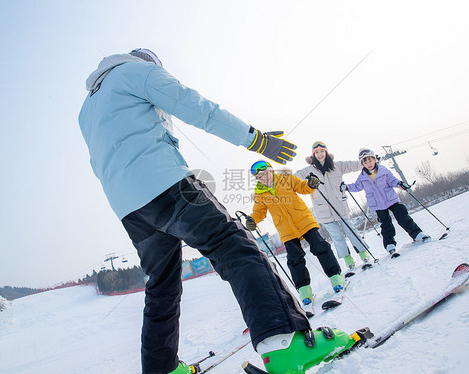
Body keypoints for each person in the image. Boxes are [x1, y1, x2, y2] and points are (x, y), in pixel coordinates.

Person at [78, 48, 356, 374]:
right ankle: (283, 343)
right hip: (166, 183)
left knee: (161, 286)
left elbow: (99, 162)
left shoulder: (87, 108)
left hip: (130, 209)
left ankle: (162, 369)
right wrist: (257, 140)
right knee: (234, 247)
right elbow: (195, 107)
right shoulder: (136, 71)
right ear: (151, 62)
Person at [245, 160, 346, 316]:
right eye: (259, 177)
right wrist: (252, 220)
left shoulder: (287, 179)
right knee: (294, 259)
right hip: (286, 229)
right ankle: (305, 294)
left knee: (320, 247)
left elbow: (303, 188)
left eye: (265, 174)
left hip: (303, 220)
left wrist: (311, 184)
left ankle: (336, 279)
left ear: (271, 171)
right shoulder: (260, 193)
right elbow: (259, 212)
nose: (263, 178)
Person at [295, 141, 373, 275]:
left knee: (351, 231)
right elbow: (292, 178)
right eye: (317, 152)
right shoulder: (308, 171)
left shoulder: (337, 166)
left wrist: (367, 159)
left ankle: (364, 255)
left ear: (326, 152)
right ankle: (349, 262)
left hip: (340, 207)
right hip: (323, 211)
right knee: (337, 238)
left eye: (322, 151)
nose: (320, 154)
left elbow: (354, 165)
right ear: (313, 155)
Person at [344, 148, 430, 256]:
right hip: (378, 204)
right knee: (385, 224)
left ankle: (417, 234)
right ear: (362, 164)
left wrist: (399, 184)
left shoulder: (383, 171)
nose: (368, 164)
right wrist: (347, 187)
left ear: (375, 159)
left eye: (370, 160)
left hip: (391, 199)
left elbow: (392, 180)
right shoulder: (362, 177)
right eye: (365, 162)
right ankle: (390, 245)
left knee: (402, 216)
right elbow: (356, 187)